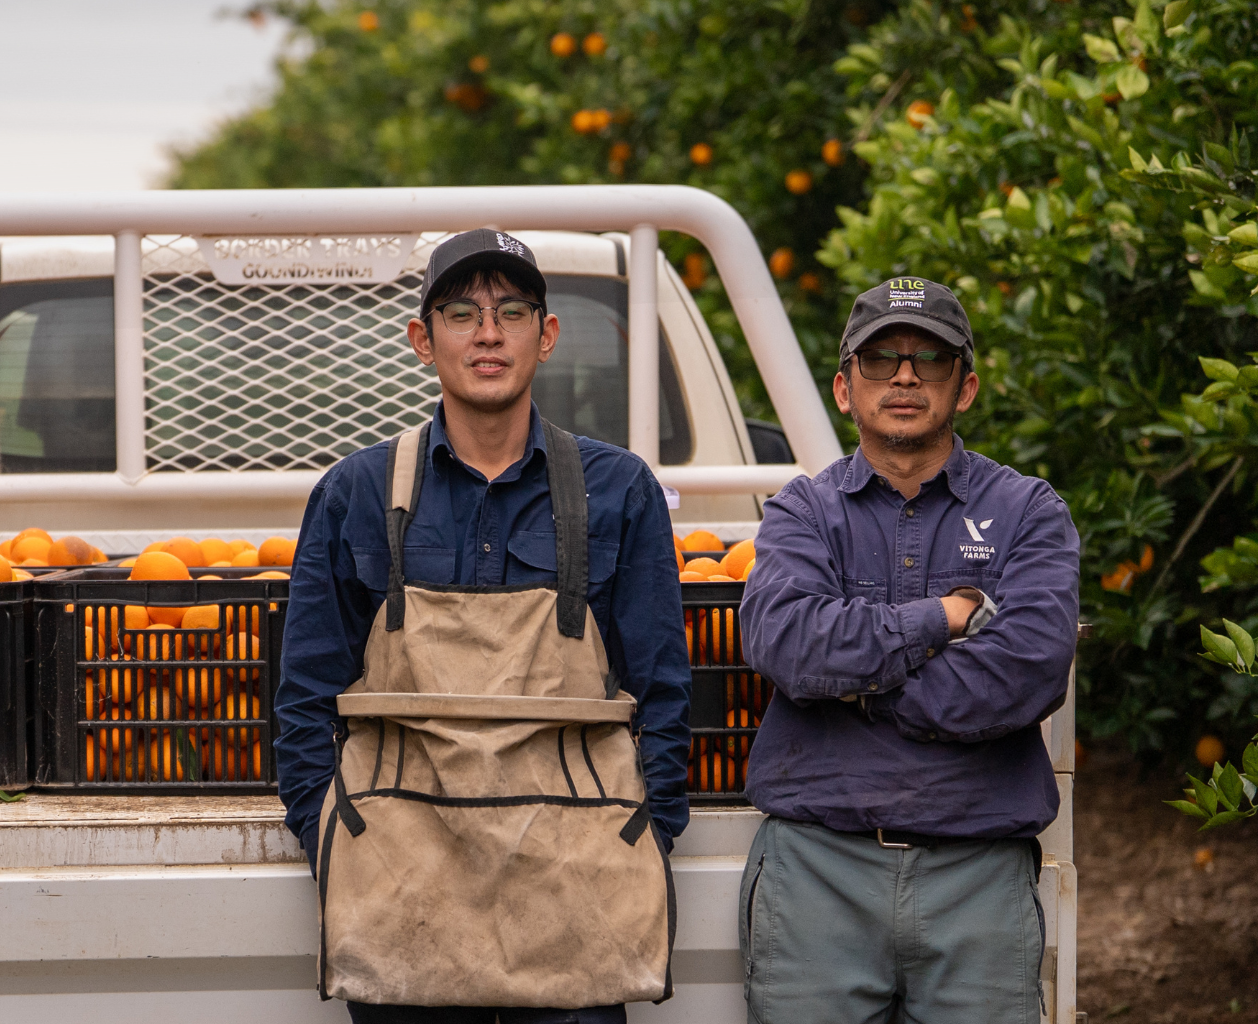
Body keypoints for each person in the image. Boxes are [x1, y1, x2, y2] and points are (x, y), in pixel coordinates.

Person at [275, 230, 692, 1022]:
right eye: (461, 312)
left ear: (548, 334)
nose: (489, 333)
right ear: (422, 341)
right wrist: (336, 839)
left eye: (512, 310)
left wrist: (644, 837)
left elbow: (665, 692)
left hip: (577, 894)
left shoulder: (620, 488)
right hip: (403, 894)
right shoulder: (355, 493)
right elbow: (304, 699)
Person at [737, 277, 1079, 1024]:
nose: (902, 375)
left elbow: (1029, 670)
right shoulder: (803, 510)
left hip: (977, 877)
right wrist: (937, 623)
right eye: (880, 358)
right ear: (843, 386)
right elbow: (784, 643)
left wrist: (853, 687)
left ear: (966, 387)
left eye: (929, 359)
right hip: (816, 872)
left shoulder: (1028, 511)